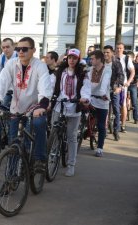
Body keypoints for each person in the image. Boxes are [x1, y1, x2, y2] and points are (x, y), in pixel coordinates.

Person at [0, 37, 52, 173]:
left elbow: (44, 86)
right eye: (18, 49)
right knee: (14, 144)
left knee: (38, 124)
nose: (21, 52)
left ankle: (39, 159)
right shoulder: (11, 64)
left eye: (25, 49)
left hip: (35, 108)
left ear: (34, 50)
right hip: (16, 109)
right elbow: (2, 83)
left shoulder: (40, 66)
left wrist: (42, 105)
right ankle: (11, 178)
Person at [52, 48, 91, 177]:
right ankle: (52, 156)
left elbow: (86, 88)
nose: (72, 60)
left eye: (74, 58)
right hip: (60, 105)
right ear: (67, 58)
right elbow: (51, 84)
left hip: (74, 107)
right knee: (54, 132)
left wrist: (84, 98)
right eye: (70, 58)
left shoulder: (82, 74)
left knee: (72, 137)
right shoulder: (60, 71)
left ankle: (71, 164)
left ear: (78, 60)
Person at [88, 50, 112, 157]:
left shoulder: (107, 70)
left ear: (98, 59)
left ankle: (99, 148)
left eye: (92, 58)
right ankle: (84, 131)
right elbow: (86, 83)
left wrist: (103, 94)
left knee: (101, 125)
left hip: (102, 100)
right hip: (90, 99)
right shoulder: (90, 70)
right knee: (81, 117)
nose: (91, 60)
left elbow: (105, 83)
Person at [103, 45, 124, 141]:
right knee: (104, 110)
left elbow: (120, 75)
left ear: (112, 53)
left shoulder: (116, 63)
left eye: (107, 52)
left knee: (116, 109)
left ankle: (116, 130)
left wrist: (117, 86)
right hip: (103, 90)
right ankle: (103, 130)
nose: (106, 54)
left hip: (114, 89)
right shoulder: (101, 62)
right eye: (104, 52)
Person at [115, 42, 135, 132]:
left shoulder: (126, 58)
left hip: (122, 85)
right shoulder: (112, 58)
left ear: (123, 49)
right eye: (117, 48)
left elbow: (132, 71)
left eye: (120, 48)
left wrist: (128, 82)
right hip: (112, 85)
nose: (119, 50)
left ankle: (122, 125)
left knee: (122, 104)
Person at [127, 52, 138, 124]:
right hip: (125, 85)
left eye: (129, 58)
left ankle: (136, 118)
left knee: (134, 102)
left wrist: (137, 79)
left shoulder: (136, 65)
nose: (128, 59)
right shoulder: (124, 64)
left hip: (133, 85)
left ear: (132, 58)